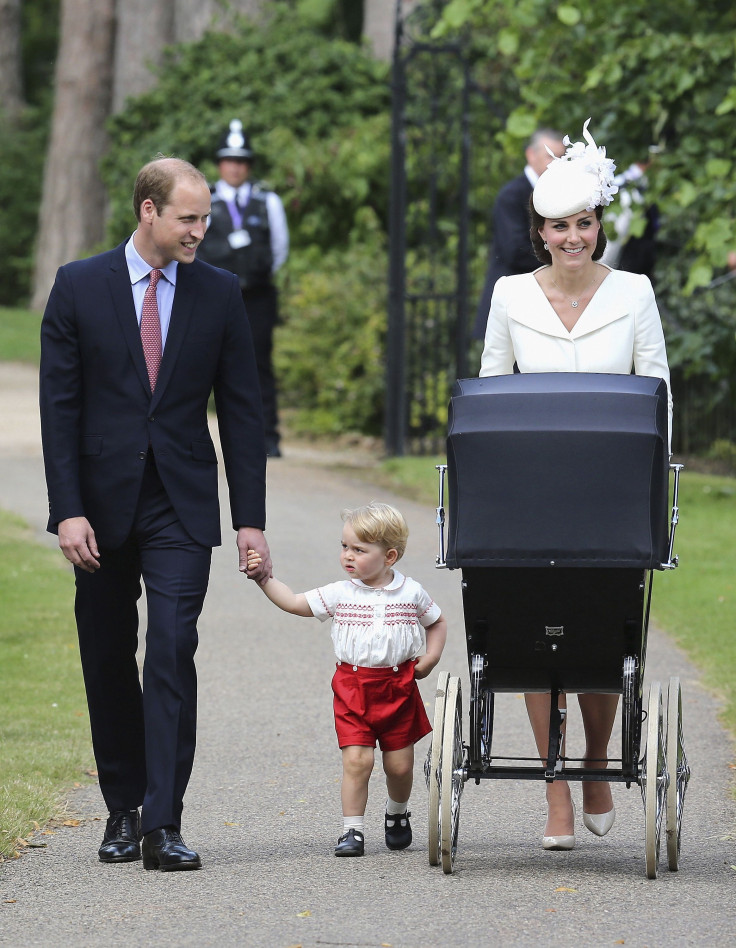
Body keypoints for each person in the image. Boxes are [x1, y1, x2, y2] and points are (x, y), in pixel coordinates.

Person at [39, 156, 272, 872]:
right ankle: (122, 808)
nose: (202, 230)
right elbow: (60, 410)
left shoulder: (220, 293)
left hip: (181, 502)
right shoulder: (80, 287)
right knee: (109, 657)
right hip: (99, 512)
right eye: (190, 218)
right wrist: (67, 512)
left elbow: (240, 410)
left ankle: (163, 823)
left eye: (203, 218)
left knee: (172, 648)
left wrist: (250, 518)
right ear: (148, 211)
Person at [479, 119, 672, 851]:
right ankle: (555, 785)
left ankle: (595, 760)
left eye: (584, 224)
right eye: (558, 226)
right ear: (540, 230)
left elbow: (656, 390)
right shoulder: (510, 296)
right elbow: (492, 390)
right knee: (530, 638)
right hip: (527, 494)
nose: (572, 238)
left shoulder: (634, 291)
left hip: (611, 492)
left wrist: (655, 486)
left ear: (599, 225)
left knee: (600, 633)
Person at [246, 502, 447, 858]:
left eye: (359, 550)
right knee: (358, 762)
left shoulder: (411, 592)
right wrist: (265, 578)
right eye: (344, 547)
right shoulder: (341, 593)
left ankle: (397, 813)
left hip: (398, 687)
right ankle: (352, 830)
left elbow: (437, 622)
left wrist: (430, 658)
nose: (348, 556)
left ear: (389, 556)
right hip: (353, 688)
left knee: (399, 766)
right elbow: (294, 602)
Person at [197, 119, 289, 458]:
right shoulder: (205, 200)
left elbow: (279, 249)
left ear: (248, 165)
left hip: (256, 298)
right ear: (220, 164)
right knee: (202, 365)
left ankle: (267, 438)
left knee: (258, 366)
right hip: (211, 297)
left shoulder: (268, 202)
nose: (235, 167)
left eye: (241, 161)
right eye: (229, 160)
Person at [472, 127, 565, 339]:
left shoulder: (559, 193)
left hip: (543, 304)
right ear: (530, 155)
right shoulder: (511, 196)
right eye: (551, 157)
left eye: (561, 158)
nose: (557, 164)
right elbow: (514, 251)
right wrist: (563, 259)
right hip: (513, 304)